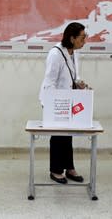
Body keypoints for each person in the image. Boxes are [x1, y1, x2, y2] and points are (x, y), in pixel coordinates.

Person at [39, 22, 89, 184]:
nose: (85, 40)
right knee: (58, 136)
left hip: (68, 99)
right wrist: (51, 106)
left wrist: (79, 83)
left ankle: (69, 167)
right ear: (72, 38)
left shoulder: (74, 53)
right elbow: (50, 81)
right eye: (82, 37)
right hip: (54, 101)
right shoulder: (55, 54)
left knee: (68, 135)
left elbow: (74, 75)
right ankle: (56, 170)